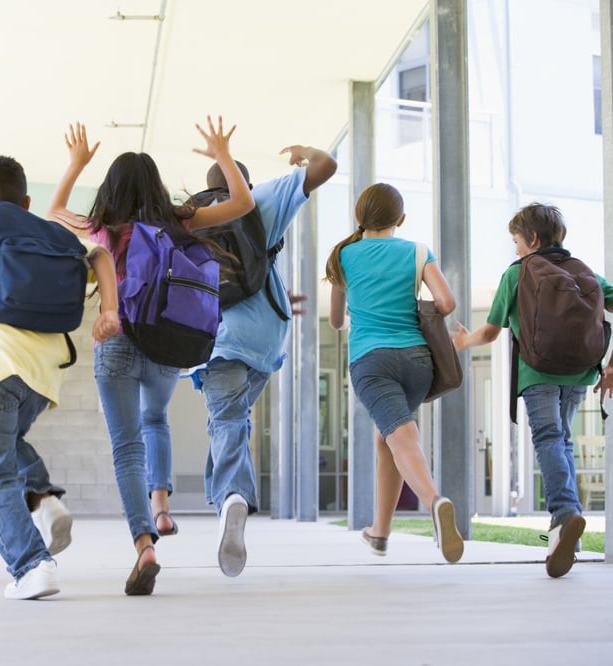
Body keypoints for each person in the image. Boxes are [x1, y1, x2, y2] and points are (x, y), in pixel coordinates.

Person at [47, 117, 254, 595]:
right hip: (167, 341)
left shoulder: (105, 228)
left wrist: (76, 163)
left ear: (112, 190)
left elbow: (56, 208)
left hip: (117, 339)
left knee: (127, 449)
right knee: (154, 418)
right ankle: (163, 505)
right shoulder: (179, 220)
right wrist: (223, 153)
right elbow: (241, 203)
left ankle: (144, 544)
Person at [0, 155, 120, 600]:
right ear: (26, 201)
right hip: (40, 380)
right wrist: (111, 309)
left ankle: (32, 566)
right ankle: (43, 496)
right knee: (8, 446)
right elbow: (98, 254)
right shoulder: (53, 240)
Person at [189, 146, 336, 577]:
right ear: (244, 183)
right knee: (231, 419)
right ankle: (226, 498)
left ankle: (232, 495)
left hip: (215, 336)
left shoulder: (191, 215)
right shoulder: (261, 200)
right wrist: (304, 153)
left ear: (207, 187)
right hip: (267, 337)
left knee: (227, 418)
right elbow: (326, 167)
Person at [451, 203, 613, 578]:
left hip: (537, 372)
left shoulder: (518, 274)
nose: (516, 250)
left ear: (532, 239)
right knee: (563, 440)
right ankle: (564, 526)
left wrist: (464, 342)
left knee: (548, 438)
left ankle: (565, 513)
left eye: (516, 242)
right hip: (580, 373)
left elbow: (490, 332)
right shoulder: (585, 272)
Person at [325, 183, 464, 564]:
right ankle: (380, 533)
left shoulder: (343, 255)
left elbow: (336, 321)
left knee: (401, 436)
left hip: (372, 361)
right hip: (418, 360)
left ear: (360, 217)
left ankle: (435, 502)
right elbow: (446, 302)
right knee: (388, 437)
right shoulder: (418, 251)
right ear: (400, 220)